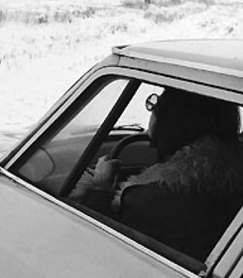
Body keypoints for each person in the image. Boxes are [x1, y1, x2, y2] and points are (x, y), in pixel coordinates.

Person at [75, 88, 243, 261]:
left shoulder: (151, 199)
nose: (153, 111)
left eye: (157, 106)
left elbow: (99, 246)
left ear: (171, 121)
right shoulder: (230, 178)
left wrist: (100, 187)